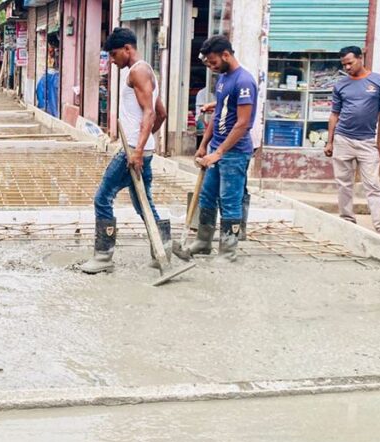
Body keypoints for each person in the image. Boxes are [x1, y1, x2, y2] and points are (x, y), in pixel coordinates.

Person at [81, 28, 168, 274]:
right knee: (143, 202)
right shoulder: (147, 71)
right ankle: (163, 248)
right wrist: (146, 143)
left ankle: (103, 256)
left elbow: (151, 113)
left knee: (102, 198)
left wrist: (138, 149)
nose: (111, 60)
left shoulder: (137, 71)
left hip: (132, 151)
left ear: (127, 49)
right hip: (141, 149)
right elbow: (161, 113)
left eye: (114, 54)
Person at [177, 35, 258, 263]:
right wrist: (204, 145)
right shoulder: (223, 79)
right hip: (216, 149)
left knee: (229, 200)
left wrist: (219, 152)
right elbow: (218, 113)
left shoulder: (244, 82)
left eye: (213, 62)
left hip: (235, 153)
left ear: (226, 55)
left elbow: (243, 123)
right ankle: (203, 242)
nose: (211, 67)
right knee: (207, 196)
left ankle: (228, 251)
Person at [324, 45, 380, 239]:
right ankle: (347, 220)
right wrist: (329, 142)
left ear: (360, 58)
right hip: (343, 139)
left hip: (367, 141)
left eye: (350, 63)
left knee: (373, 185)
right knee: (343, 184)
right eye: (344, 64)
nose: (347, 67)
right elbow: (334, 114)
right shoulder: (340, 85)